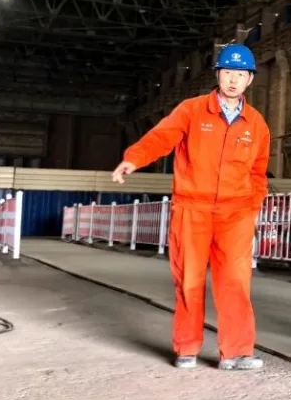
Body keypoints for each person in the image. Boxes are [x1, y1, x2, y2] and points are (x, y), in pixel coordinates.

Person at [112, 43, 270, 371]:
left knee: (236, 281)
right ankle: (186, 347)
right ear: (218, 74)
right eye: (228, 73)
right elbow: (160, 138)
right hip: (192, 209)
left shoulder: (256, 124)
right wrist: (133, 159)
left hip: (235, 215)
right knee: (189, 279)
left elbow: (258, 172)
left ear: (250, 79)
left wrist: (251, 206)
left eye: (241, 74)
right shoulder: (192, 110)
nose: (233, 80)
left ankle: (236, 352)